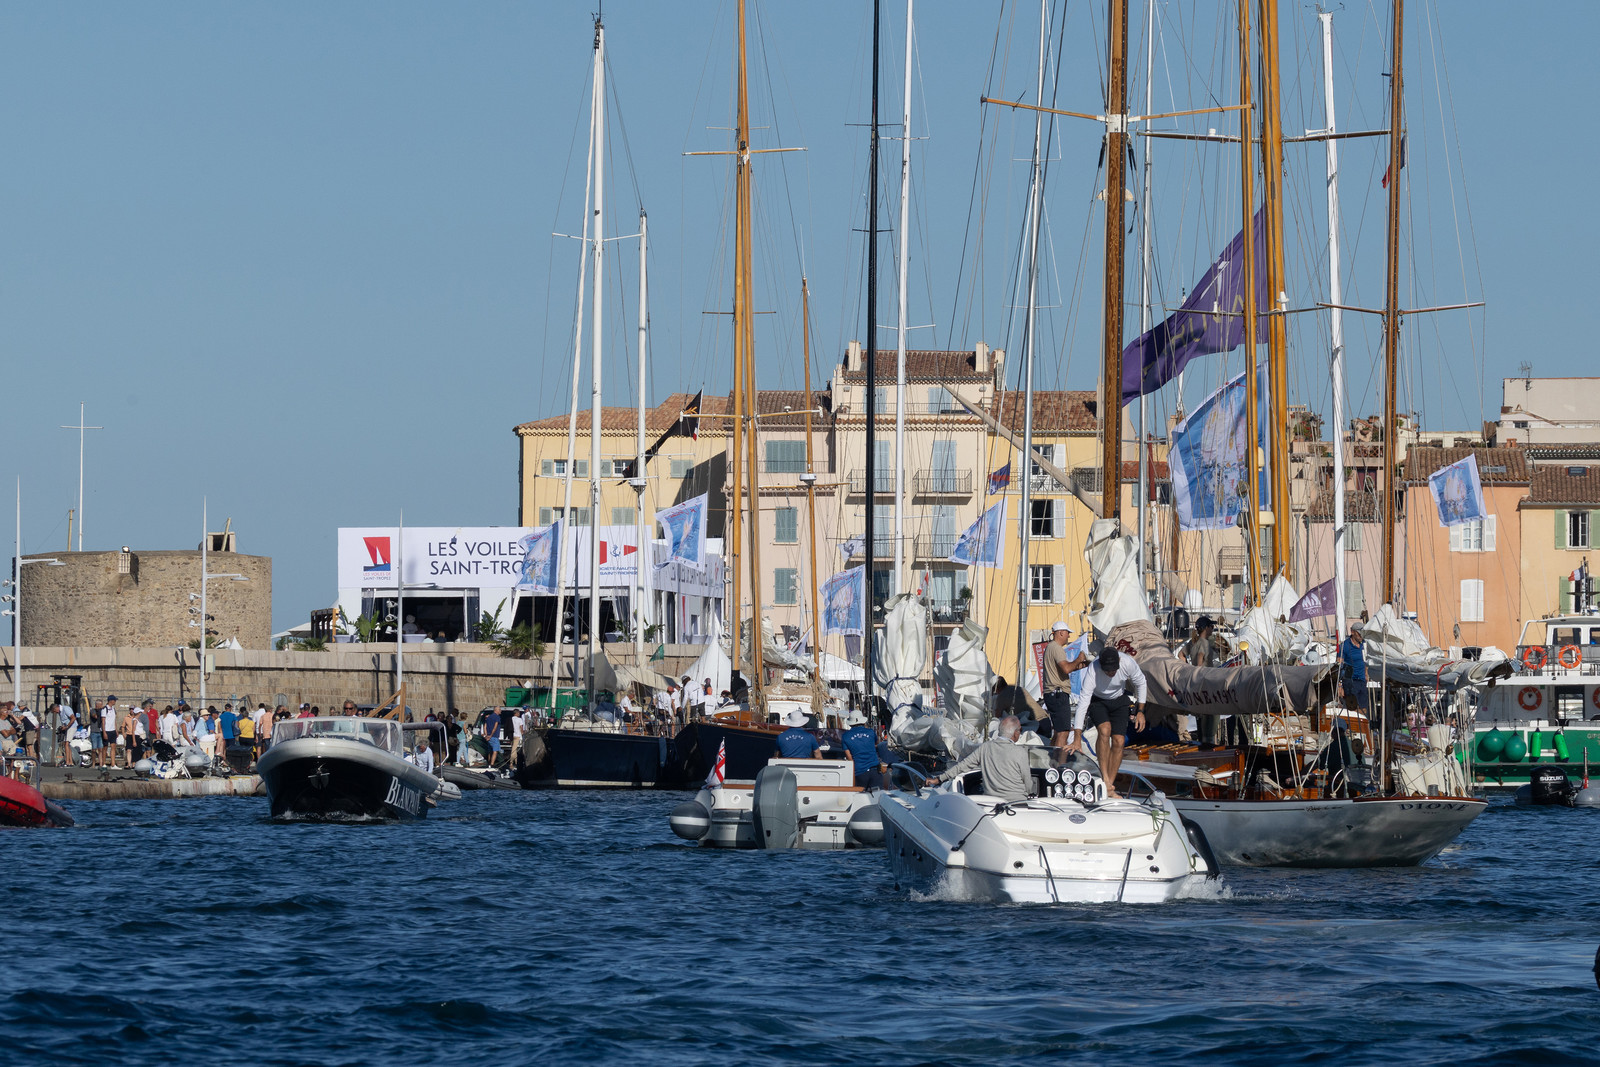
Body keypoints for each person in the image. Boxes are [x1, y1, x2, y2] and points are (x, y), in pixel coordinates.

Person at [1065, 647, 1148, 800]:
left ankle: (1109, 786)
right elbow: (1083, 703)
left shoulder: (1127, 662)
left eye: (1113, 670)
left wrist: (1141, 711)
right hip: (1098, 701)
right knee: (1104, 730)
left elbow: (1141, 682)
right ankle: (1104, 780)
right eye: (1107, 670)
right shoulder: (1093, 669)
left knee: (1119, 740)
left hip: (1119, 700)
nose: (1111, 673)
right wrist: (1077, 738)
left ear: (1119, 662)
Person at [928, 715, 1034, 802]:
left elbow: (962, 766)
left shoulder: (985, 748)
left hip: (992, 803)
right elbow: (1028, 783)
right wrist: (1030, 792)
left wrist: (938, 779)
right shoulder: (1020, 752)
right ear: (1016, 733)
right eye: (1020, 730)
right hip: (1018, 803)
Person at [1041, 621, 1090, 761]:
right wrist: (1079, 659)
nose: (1068, 636)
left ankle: (1050, 761)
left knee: (1057, 732)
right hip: (1058, 693)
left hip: (1053, 694)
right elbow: (1067, 668)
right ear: (1061, 632)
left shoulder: (1051, 648)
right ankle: (1058, 765)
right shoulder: (1056, 648)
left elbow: (1065, 669)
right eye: (1067, 633)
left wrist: (1083, 664)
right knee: (1063, 732)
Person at [1185, 616, 1219, 744]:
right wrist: (1199, 672)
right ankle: (1208, 746)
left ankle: (1201, 744)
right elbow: (1201, 657)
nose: (1213, 629)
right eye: (1211, 626)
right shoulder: (1204, 642)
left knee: (1200, 717)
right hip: (1205, 684)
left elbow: (1181, 655)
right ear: (1206, 628)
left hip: (1196, 685)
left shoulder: (1193, 642)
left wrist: (1188, 670)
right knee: (1211, 717)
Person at [840, 718, 891, 789]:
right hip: (875, 770)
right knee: (877, 796)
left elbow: (849, 758)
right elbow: (876, 744)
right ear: (863, 722)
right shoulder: (870, 732)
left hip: (859, 772)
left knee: (860, 797)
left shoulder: (845, 736)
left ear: (851, 724)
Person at [1339, 623, 1369, 715]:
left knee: (1364, 708)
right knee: (1352, 707)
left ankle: (1363, 726)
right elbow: (1339, 664)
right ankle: (1354, 727)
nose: (1361, 636)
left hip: (1362, 680)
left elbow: (1366, 660)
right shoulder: (1345, 645)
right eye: (1359, 633)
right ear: (1352, 632)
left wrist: (1366, 674)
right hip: (1350, 681)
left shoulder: (1364, 645)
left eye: (1362, 634)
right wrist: (1340, 685)